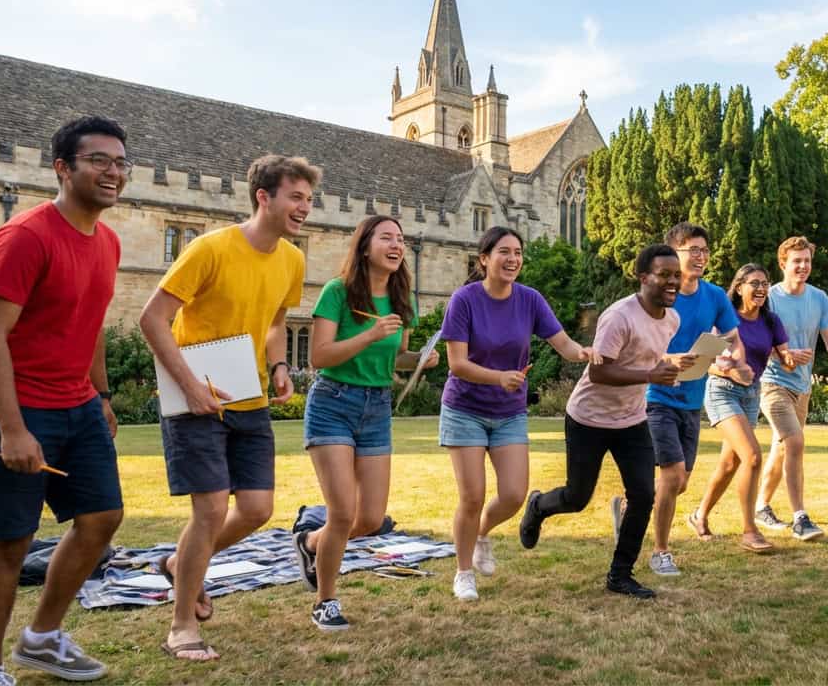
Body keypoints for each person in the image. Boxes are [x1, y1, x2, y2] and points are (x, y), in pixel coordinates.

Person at [0, 116, 129, 686]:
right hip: (5, 405)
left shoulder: (108, 240)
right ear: (63, 167)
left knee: (102, 518)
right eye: (99, 160)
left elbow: (92, 321)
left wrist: (100, 393)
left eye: (121, 162)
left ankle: (43, 638)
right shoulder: (25, 236)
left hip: (75, 403)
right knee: (9, 541)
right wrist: (11, 430)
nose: (114, 172)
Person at [139, 154, 315, 660]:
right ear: (264, 197)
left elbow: (276, 322)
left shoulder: (293, 259)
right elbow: (153, 320)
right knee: (212, 509)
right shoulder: (209, 248)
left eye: (308, 199)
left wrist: (279, 365)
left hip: (250, 397)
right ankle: (181, 627)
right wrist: (192, 386)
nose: (305, 208)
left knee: (257, 510)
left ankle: (180, 564)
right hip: (194, 398)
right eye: (295, 198)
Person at [518, 244, 694, 599]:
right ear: (643, 277)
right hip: (589, 419)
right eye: (664, 275)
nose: (673, 281)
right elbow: (599, 372)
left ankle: (620, 574)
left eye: (676, 275)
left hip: (631, 420)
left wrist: (673, 364)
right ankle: (538, 505)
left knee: (643, 495)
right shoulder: (619, 316)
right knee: (576, 497)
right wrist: (650, 375)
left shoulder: (672, 319)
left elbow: (647, 356)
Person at [290, 215, 438, 629]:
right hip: (333, 402)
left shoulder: (402, 298)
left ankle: (310, 542)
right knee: (342, 512)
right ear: (365, 246)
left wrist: (419, 360)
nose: (396, 244)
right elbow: (319, 356)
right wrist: (370, 335)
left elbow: (396, 358)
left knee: (370, 519)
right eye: (386, 237)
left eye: (401, 238)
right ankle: (326, 601)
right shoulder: (338, 292)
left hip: (377, 408)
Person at [439, 226, 598, 601]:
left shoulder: (529, 299)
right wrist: (498, 378)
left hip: (509, 411)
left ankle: (480, 534)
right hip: (465, 408)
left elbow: (562, 343)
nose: (513, 259)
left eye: (518, 253)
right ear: (484, 259)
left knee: (513, 494)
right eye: (504, 252)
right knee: (472, 495)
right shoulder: (464, 300)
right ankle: (463, 573)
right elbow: (458, 364)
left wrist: (584, 353)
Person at [635, 223, 745, 576]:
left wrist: (732, 358)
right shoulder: (660, 296)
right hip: (656, 396)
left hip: (691, 400)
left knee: (680, 482)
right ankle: (661, 552)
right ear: (673, 254)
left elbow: (732, 339)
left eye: (704, 250)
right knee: (671, 475)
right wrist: (670, 360)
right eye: (692, 249)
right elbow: (639, 350)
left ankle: (629, 508)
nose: (700, 256)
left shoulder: (714, 296)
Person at [691, 264, 795, 553]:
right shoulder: (725, 319)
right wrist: (731, 373)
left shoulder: (771, 321)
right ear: (739, 287)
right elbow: (704, 362)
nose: (761, 288)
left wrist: (791, 358)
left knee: (730, 463)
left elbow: (784, 356)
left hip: (751, 394)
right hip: (722, 390)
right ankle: (750, 531)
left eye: (765, 283)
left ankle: (699, 515)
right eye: (754, 283)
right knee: (751, 457)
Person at [755, 237, 828, 540]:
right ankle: (800, 518)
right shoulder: (769, 297)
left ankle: (761, 507)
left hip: (802, 386)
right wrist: (786, 354)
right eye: (797, 261)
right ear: (783, 263)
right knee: (794, 443)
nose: (803, 266)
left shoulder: (819, 297)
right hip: (772, 383)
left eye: (807, 261)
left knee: (782, 449)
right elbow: (754, 341)